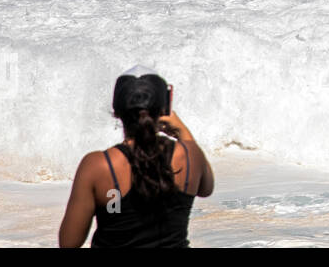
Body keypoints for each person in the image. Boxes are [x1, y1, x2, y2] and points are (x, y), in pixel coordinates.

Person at [59, 70, 214, 247]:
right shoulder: (188, 155)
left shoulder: (99, 165)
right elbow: (206, 188)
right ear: (164, 110)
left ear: (117, 112)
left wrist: (114, 209)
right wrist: (182, 132)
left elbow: (68, 243)